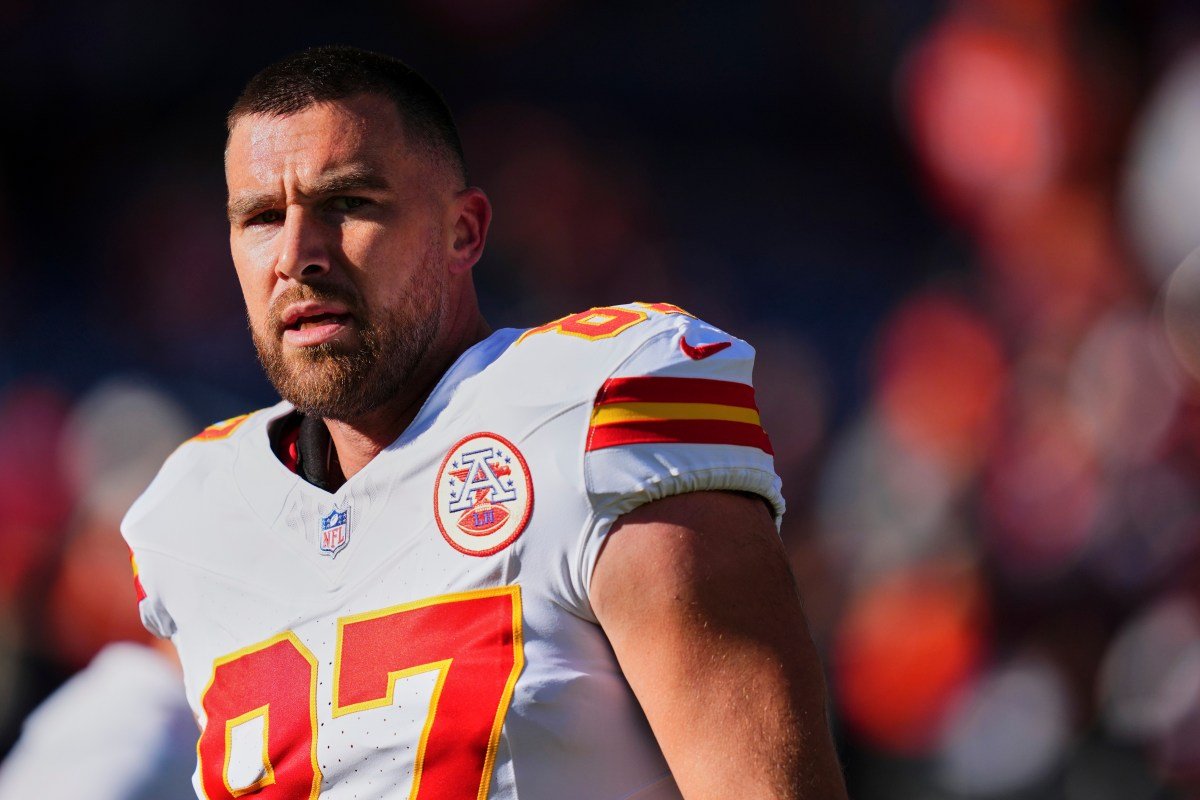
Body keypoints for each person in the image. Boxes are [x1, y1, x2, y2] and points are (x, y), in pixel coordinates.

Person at [122, 45, 847, 800]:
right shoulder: (191, 515)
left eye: (349, 203)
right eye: (263, 217)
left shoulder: (590, 410)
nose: (297, 255)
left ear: (463, 232)